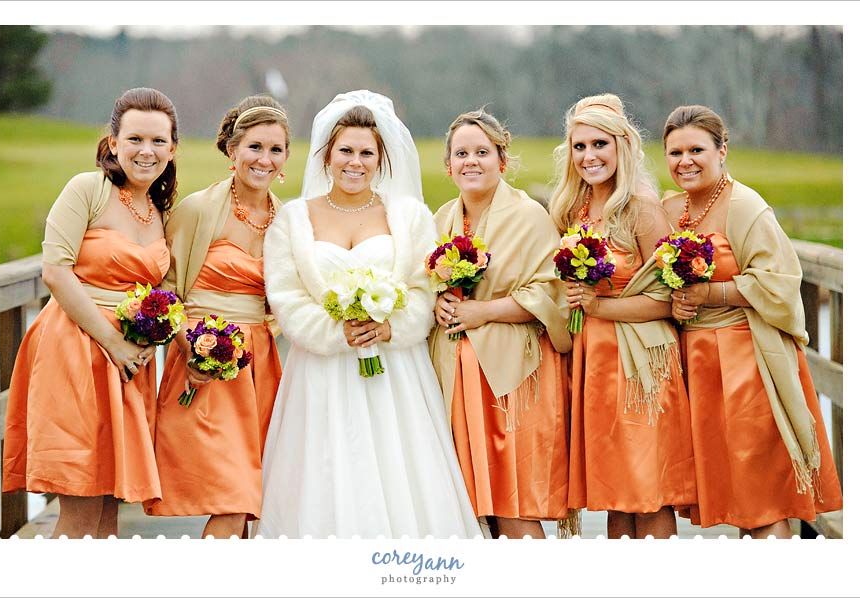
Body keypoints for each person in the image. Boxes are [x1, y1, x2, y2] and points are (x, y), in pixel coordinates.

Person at [256, 90, 480, 539]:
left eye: (366, 153)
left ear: (381, 159)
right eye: (345, 151)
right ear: (326, 156)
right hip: (322, 372)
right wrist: (340, 332)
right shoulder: (294, 220)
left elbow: (422, 289)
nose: (354, 162)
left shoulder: (410, 216)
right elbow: (285, 294)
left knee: (403, 476)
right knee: (327, 472)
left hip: (395, 372)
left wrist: (388, 326)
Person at [1, 87, 178, 538]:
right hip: (76, 350)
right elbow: (56, 273)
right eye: (136, 138)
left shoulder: (159, 208)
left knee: (108, 511)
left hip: (129, 362)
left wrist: (148, 335)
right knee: (79, 511)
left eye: (159, 141)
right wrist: (113, 342)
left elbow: (164, 287)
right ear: (114, 142)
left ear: (173, 148)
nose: (147, 151)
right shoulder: (88, 189)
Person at [663, 105, 843, 538]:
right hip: (699, 366)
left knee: (763, 499)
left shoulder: (747, 206)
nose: (685, 161)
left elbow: (781, 284)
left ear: (722, 150)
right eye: (674, 152)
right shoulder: (670, 210)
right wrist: (676, 304)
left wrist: (712, 293)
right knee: (740, 499)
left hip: (750, 365)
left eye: (696, 149)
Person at [549, 93, 697, 539]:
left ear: (622, 147)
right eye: (580, 146)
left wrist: (599, 306)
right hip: (595, 364)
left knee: (647, 491)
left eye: (600, 144)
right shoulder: (572, 211)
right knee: (617, 495)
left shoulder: (642, 210)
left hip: (643, 365)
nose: (589, 156)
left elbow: (672, 301)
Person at [143, 95, 287, 539]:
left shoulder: (287, 220)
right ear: (231, 150)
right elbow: (165, 291)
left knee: (251, 502)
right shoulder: (197, 210)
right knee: (234, 497)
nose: (264, 159)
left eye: (276, 149)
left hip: (262, 364)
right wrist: (193, 349)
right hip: (206, 363)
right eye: (255, 147)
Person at [429, 108, 573, 540]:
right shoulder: (440, 219)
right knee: (476, 509)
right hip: (455, 377)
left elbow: (550, 294)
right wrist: (437, 301)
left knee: (513, 503)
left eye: (482, 152)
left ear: (501, 161)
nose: (471, 161)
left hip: (513, 378)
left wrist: (483, 312)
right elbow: (425, 280)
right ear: (448, 165)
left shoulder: (530, 217)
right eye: (461, 153)